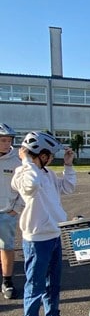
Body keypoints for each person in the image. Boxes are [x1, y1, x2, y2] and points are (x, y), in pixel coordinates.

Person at [11, 131, 77, 316]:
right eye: (51, 155)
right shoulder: (23, 173)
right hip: (36, 238)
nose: (53, 159)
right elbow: (30, 187)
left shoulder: (46, 173)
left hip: (54, 235)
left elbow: (68, 188)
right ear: (42, 154)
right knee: (34, 286)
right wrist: (26, 161)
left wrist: (68, 166)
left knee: (53, 283)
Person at [0, 123, 24, 299]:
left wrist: (15, 209)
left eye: (9, 140)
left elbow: (25, 188)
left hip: (6, 213)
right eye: (3, 140)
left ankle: (7, 281)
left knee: (6, 247)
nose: (6, 144)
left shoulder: (17, 161)